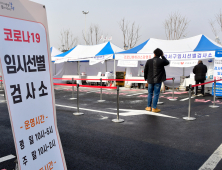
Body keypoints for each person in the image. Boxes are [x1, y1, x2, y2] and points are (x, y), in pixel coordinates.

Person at [144, 48, 169, 113]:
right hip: (158, 80)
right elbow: (167, 62)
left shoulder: (149, 61)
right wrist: (163, 56)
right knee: (156, 94)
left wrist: (145, 78)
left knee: (150, 93)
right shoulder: (161, 61)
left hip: (150, 80)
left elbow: (145, 70)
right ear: (160, 54)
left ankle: (148, 107)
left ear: (154, 54)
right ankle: (154, 108)